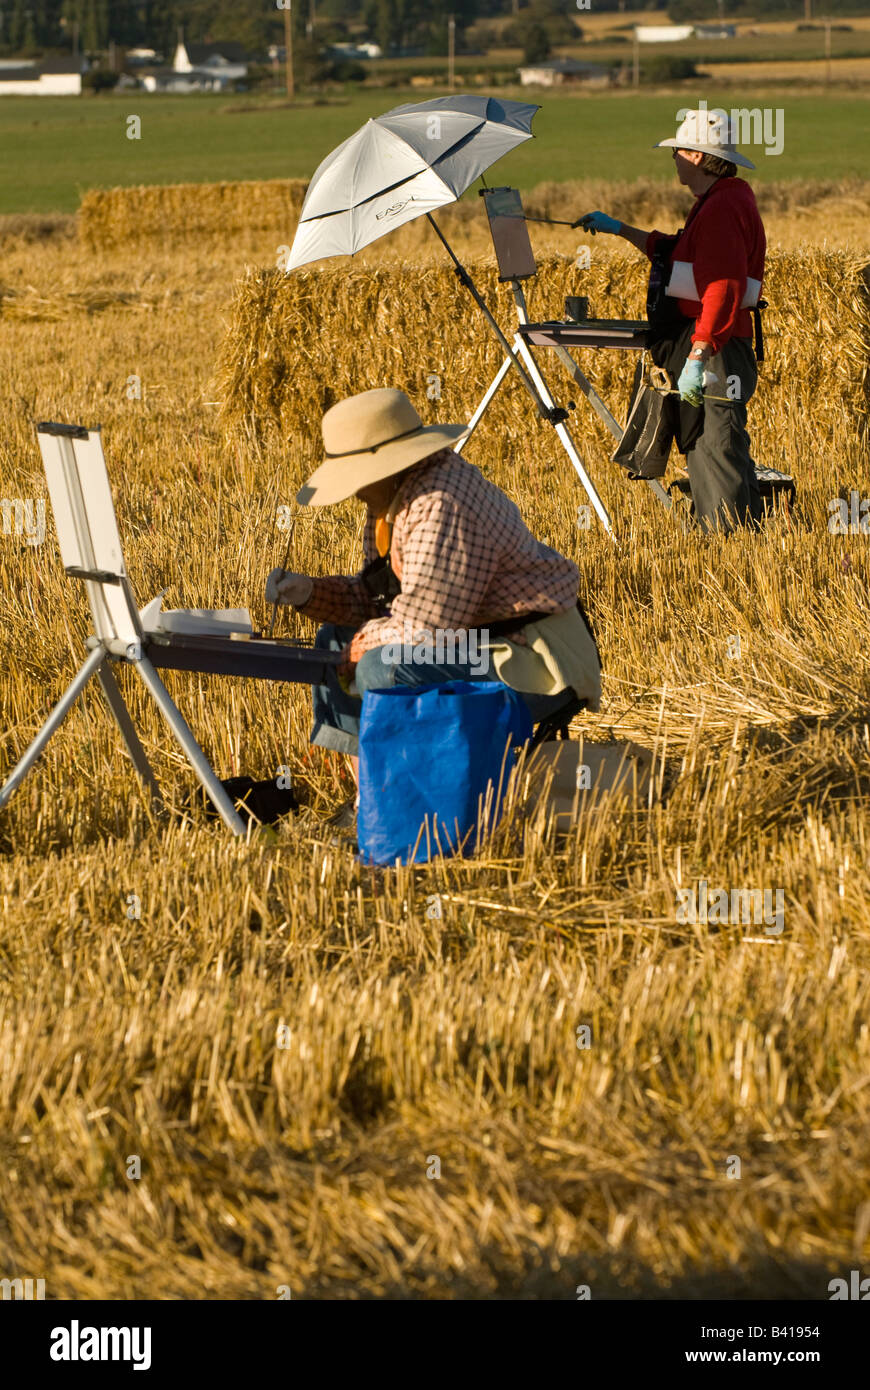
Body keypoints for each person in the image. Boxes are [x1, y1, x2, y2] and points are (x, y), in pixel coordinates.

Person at [265, 388, 601, 807]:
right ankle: (372, 796)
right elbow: (382, 603)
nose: (352, 493)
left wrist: (361, 646)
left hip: (528, 658)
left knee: (383, 666)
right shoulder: (395, 502)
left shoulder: (441, 504)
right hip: (473, 643)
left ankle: (407, 802)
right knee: (334, 639)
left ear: (387, 467)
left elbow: (424, 632)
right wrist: (311, 593)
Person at [578, 108, 767, 533]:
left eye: (678, 151)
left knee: (713, 446)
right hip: (716, 347)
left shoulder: (721, 208)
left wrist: (699, 354)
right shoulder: (721, 201)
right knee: (711, 443)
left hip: (715, 352)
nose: (674, 159)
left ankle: (728, 546)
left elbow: (722, 287)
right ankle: (732, 538)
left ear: (697, 157)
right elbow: (676, 251)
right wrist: (619, 229)